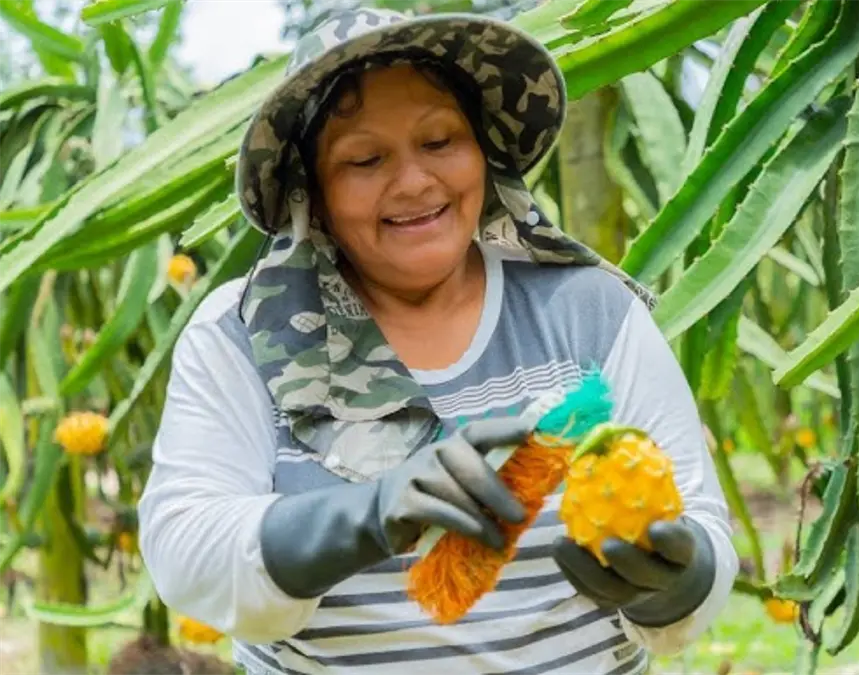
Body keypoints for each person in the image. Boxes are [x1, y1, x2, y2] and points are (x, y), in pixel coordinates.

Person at [137, 7, 737, 675]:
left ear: (482, 151)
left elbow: (699, 522)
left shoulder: (589, 311)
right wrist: (369, 513)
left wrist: (677, 583)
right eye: (365, 159)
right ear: (313, 189)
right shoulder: (243, 338)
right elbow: (187, 553)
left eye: (440, 141)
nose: (415, 183)